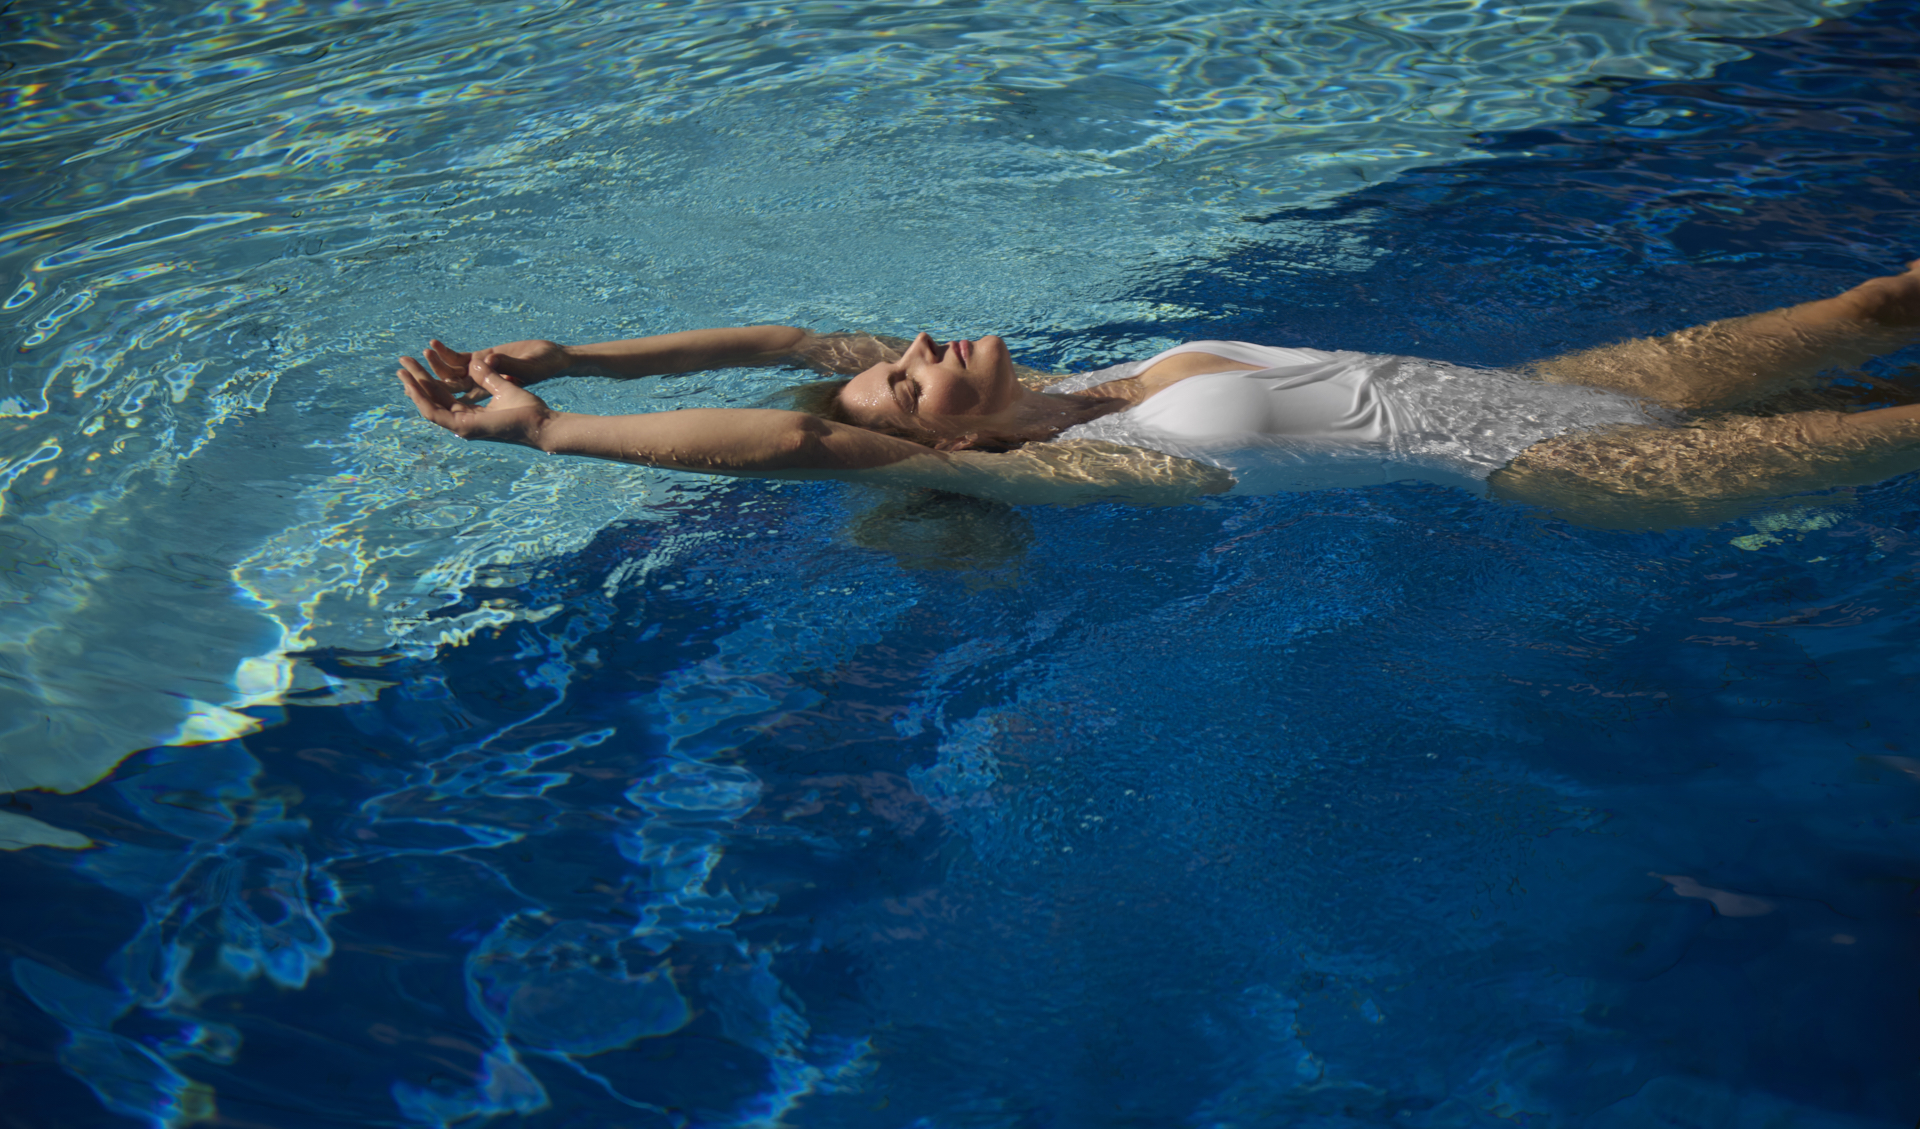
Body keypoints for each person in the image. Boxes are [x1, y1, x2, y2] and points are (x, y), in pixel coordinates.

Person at [396, 261, 1920, 524]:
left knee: (1875, 309)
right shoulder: (1074, 465)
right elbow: (801, 433)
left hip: (1561, 393)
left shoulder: (1092, 385)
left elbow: (798, 351)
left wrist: (576, 352)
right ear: (960, 445)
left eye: (907, 355)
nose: (920, 351)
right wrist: (554, 436)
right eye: (915, 384)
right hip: (1574, 473)